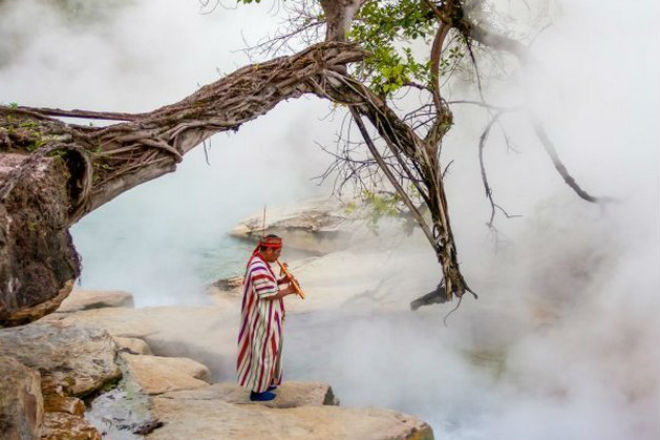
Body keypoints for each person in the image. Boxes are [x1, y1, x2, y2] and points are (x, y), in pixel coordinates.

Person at [236, 234, 298, 401]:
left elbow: (269, 285)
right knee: (264, 352)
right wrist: (291, 290)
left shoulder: (260, 262)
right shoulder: (258, 268)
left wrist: (282, 280)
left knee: (272, 350)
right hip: (262, 318)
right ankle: (258, 391)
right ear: (268, 249)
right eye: (277, 252)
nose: (279, 255)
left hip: (268, 315)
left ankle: (267, 380)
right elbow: (269, 294)